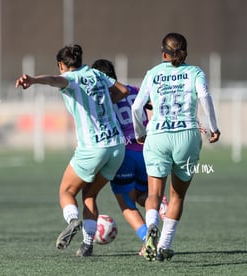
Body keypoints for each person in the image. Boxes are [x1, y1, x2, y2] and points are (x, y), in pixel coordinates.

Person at [15, 45, 129, 257]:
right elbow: (123, 91)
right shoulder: (97, 74)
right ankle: (87, 245)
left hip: (93, 148)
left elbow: (53, 79)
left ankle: (72, 220)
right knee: (90, 193)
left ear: (61, 65)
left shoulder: (71, 78)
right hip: (116, 146)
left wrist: (32, 79)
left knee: (66, 192)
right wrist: (101, 102)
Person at [132, 32, 221, 262]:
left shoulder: (153, 73)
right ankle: (164, 245)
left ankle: (151, 227)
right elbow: (205, 97)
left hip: (158, 135)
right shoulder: (195, 72)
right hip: (188, 136)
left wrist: (140, 133)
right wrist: (213, 127)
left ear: (163, 53)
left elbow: (136, 107)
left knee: (153, 193)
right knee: (177, 195)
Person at [91, 59, 168, 256]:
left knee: (127, 203)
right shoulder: (134, 89)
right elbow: (152, 104)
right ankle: (161, 208)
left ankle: (147, 239)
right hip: (147, 150)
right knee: (146, 195)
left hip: (123, 154)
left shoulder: (101, 99)